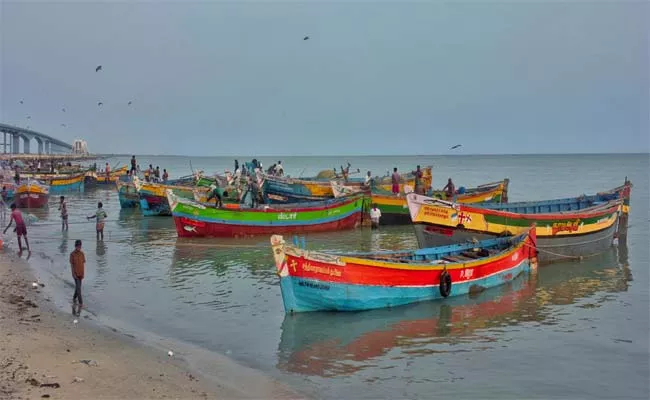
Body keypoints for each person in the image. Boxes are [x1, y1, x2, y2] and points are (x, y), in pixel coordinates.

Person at [69, 239, 85, 316]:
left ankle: (74, 298)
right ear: (75, 246)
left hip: (81, 273)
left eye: (80, 246)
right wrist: (73, 274)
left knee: (78, 288)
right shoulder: (72, 254)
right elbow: (72, 265)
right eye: (77, 246)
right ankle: (81, 303)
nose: (79, 247)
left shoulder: (82, 254)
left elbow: (83, 264)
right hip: (75, 274)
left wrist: (83, 273)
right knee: (79, 289)